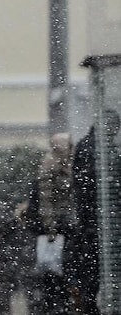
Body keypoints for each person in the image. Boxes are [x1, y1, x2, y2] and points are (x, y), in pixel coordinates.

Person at [71, 109, 121, 315]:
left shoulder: (85, 145)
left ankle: (90, 304)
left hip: (90, 219)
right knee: (99, 268)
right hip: (100, 219)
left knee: (91, 268)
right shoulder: (100, 148)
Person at [27, 132, 77, 313]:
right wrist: (51, 230)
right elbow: (46, 202)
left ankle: (61, 305)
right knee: (55, 275)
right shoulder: (49, 166)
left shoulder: (67, 165)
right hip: (57, 231)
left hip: (66, 228)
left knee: (61, 273)